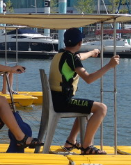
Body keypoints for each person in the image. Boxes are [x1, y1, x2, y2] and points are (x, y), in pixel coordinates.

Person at [49, 27, 120, 155]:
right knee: (101, 108)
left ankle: (71, 141)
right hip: (63, 102)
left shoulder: (61, 54)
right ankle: (87, 147)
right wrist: (110, 65)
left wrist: (92, 52)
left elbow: (79, 56)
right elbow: (89, 79)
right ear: (80, 43)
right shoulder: (72, 58)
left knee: (86, 108)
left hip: (56, 99)